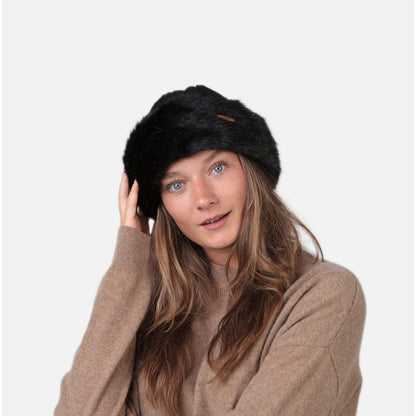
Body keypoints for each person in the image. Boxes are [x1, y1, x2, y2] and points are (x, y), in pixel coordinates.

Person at [54, 85, 366, 416]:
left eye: (217, 168)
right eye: (177, 185)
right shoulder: (152, 308)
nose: (204, 199)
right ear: (162, 208)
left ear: (250, 170)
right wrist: (130, 263)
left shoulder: (322, 294)